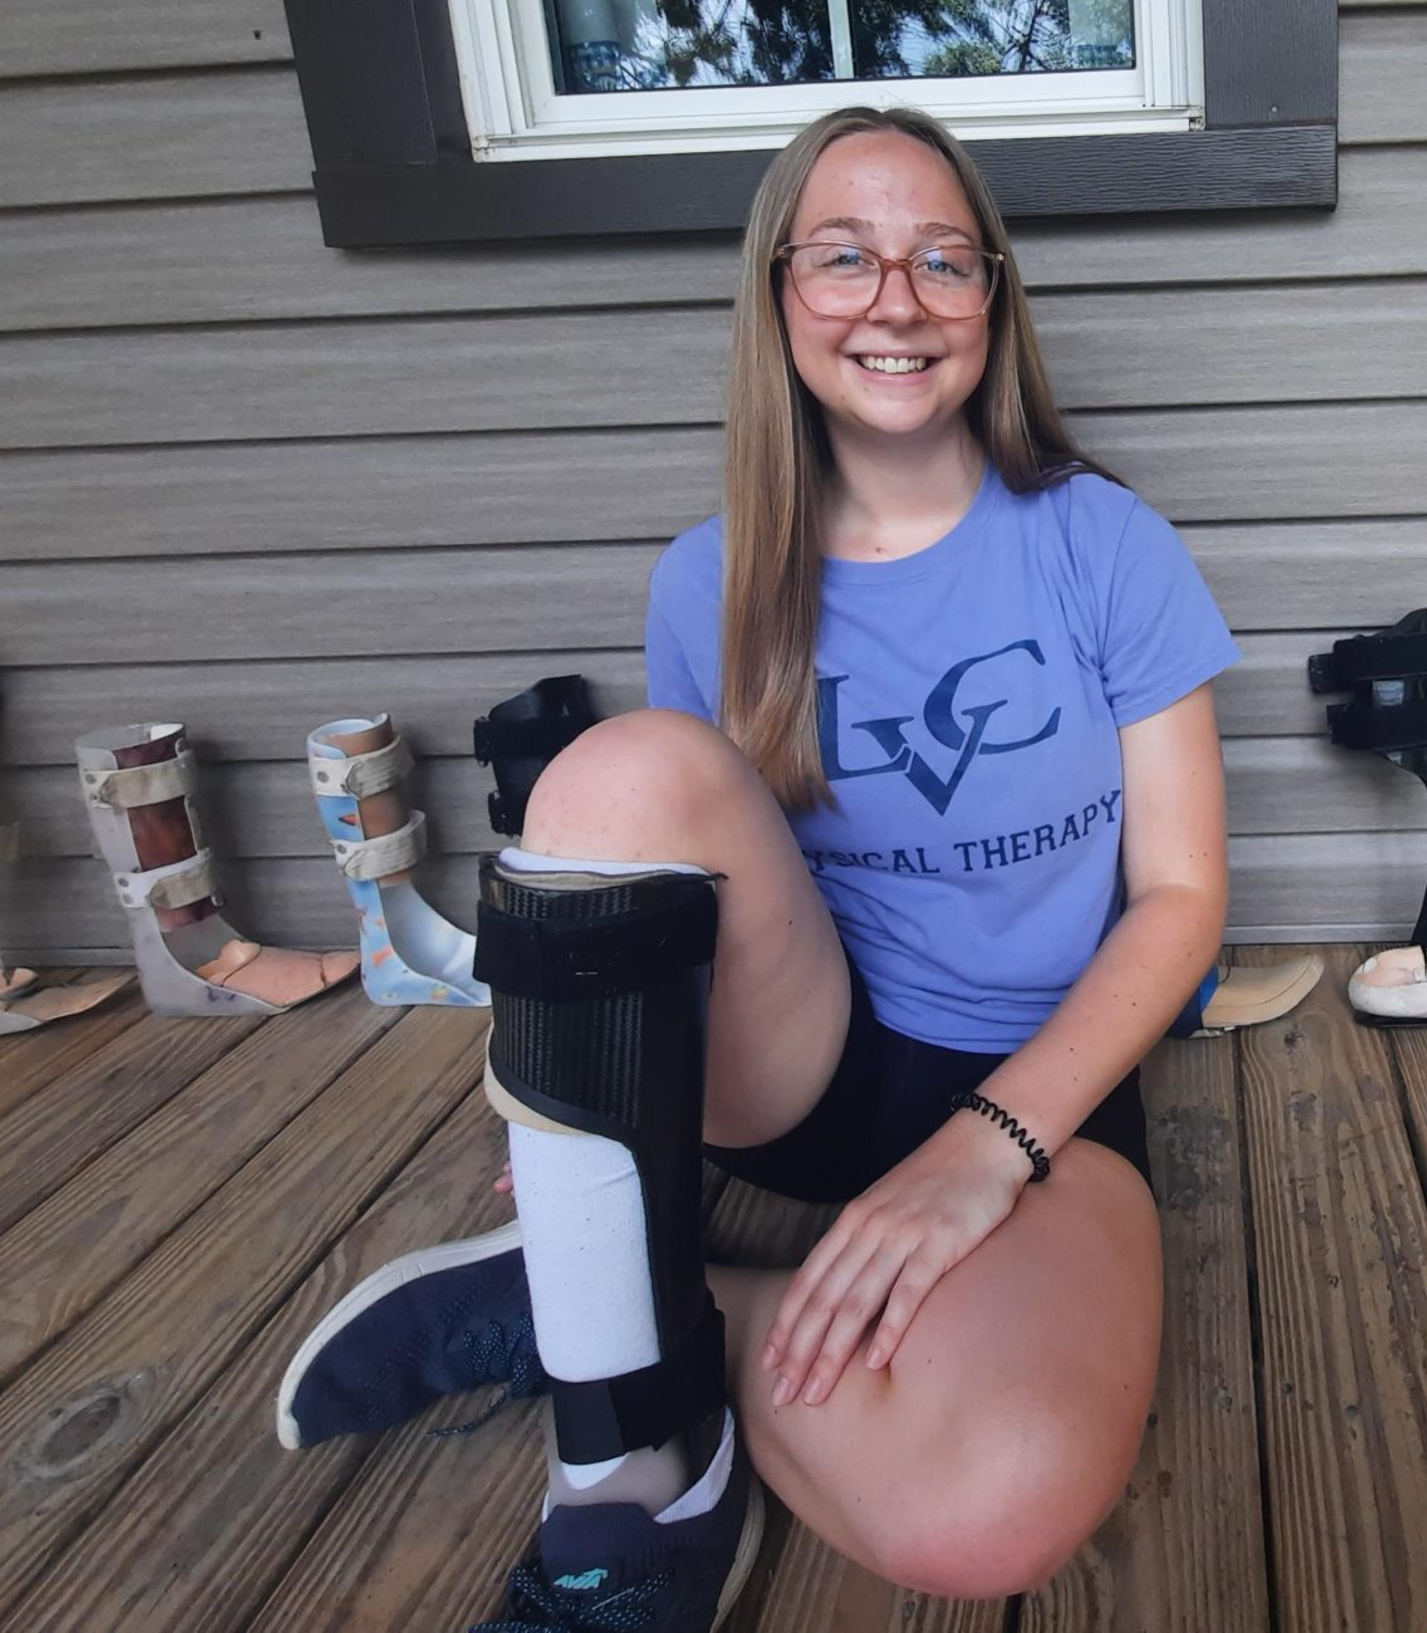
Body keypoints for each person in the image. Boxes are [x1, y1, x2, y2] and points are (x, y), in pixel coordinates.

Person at [276, 104, 1238, 1632]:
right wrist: (578, 1105)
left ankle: (594, 1293)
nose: (896, 299)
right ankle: (629, 1455)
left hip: (1039, 1080)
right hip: (799, 1057)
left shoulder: (1102, 544)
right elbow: (673, 865)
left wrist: (988, 1146)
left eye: (942, 259)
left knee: (989, 1512)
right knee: (620, 769)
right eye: (843, 257)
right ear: (779, 293)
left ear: (992, 298)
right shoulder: (709, 579)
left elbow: (1183, 898)